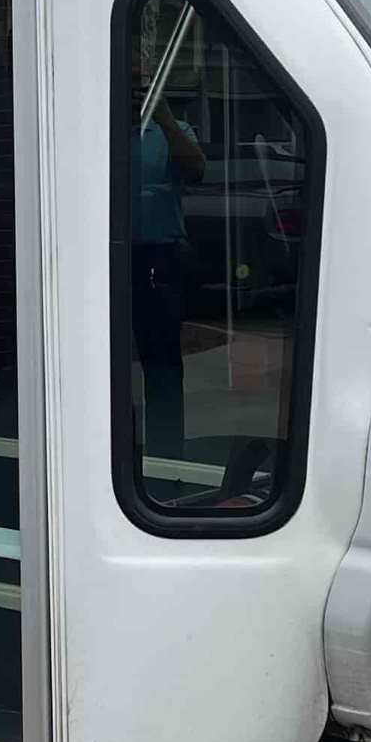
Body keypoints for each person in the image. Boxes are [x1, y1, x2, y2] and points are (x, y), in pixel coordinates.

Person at [130, 68, 206, 461]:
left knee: (161, 362)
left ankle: (165, 456)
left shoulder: (173, 131)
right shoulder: (93, 129)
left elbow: (196, 169)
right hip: (105, 257)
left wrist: (163, 117)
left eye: (141, 87)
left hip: (158, 255)